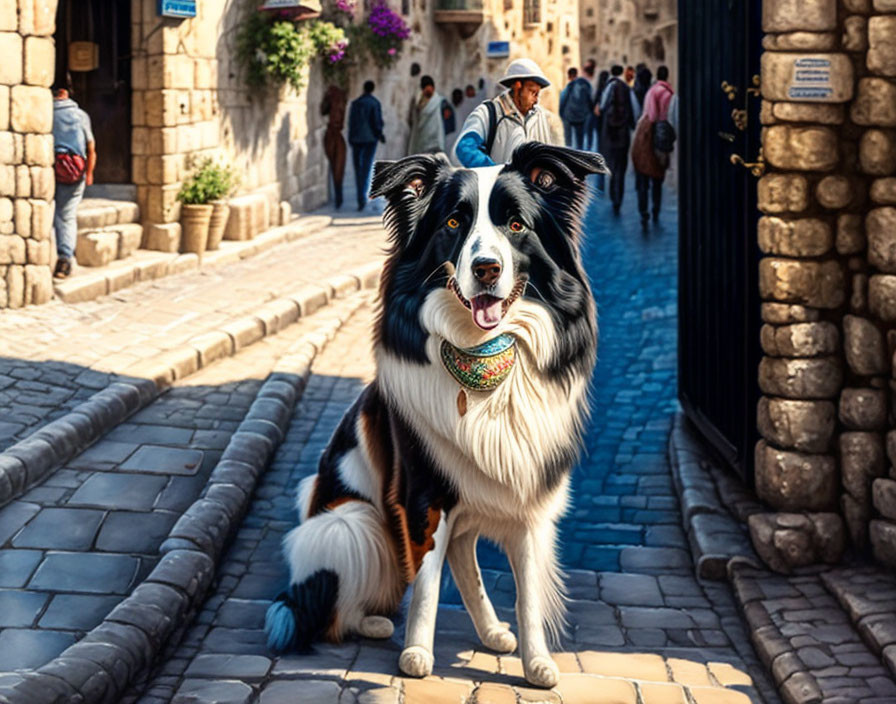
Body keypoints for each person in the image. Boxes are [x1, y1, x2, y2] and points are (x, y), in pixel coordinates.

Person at [453, 58, 564, 168]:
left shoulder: (542, 117)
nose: (536, 100)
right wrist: (496, 173)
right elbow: (465, 148)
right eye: (532, 92)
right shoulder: (488, 113)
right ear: (517, 86)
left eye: (537, 94)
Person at [52, 79, 95, 279]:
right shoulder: (81, 115)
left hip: (53, 168)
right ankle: (65, 258)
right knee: (67, 215)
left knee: (55, 214)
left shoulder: (47, 113)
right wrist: (90, 173)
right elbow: (91, 147)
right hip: (75, 170)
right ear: (66, 93)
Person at [632, 65, 675, 226]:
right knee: (657, 177)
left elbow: (650, 114)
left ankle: (644, 211)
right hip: (661, 137)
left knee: (643, 177)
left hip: (647, 134)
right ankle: (656, 209)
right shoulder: (669, 93)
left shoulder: (652, 91)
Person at [598, 64, 639, 214]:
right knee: (621, 167)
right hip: (623, 134)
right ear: (621, 73)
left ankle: (612, 192)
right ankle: (618, 200)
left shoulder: (608, 87)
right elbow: (636, 111)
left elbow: (602, 107)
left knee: (613, 166)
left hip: (609, 133)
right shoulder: (627, 89)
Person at [347, 80, 385, 211]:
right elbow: (377, 122)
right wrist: (380, 135)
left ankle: (360, 198)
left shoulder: (355, 103)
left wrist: (351, 138)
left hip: (356, 139)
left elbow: (351, 122)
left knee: (358, 168)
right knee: (366, 168)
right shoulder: (375, 103)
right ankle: (363, 196)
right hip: (370, 140)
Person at [321, 84, 348, 209]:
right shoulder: (342, 98)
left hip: (333, 134)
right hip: (334, 134)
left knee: (336, 167)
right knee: (338, 167)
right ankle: (338, 196)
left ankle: (338, 196)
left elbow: (323, 111)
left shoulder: (334, 97)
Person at [407, 75, 446, 155]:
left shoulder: (439, 102)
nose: (429, 90)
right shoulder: (419, 100)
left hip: (435, 140)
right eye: (426, 88)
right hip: (421, 138)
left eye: (430, 87)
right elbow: (415, 118)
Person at [559, 67, 593, 150]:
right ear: (576, 74)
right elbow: (590, 99)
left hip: (569, 115)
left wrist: (561, 113)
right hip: (582, 116)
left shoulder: (569, 86)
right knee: (579, 138)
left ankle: (569, 151)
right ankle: (580, 152)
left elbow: (563, 99)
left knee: (568, 138)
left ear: (569, 76)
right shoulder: (585, 84)